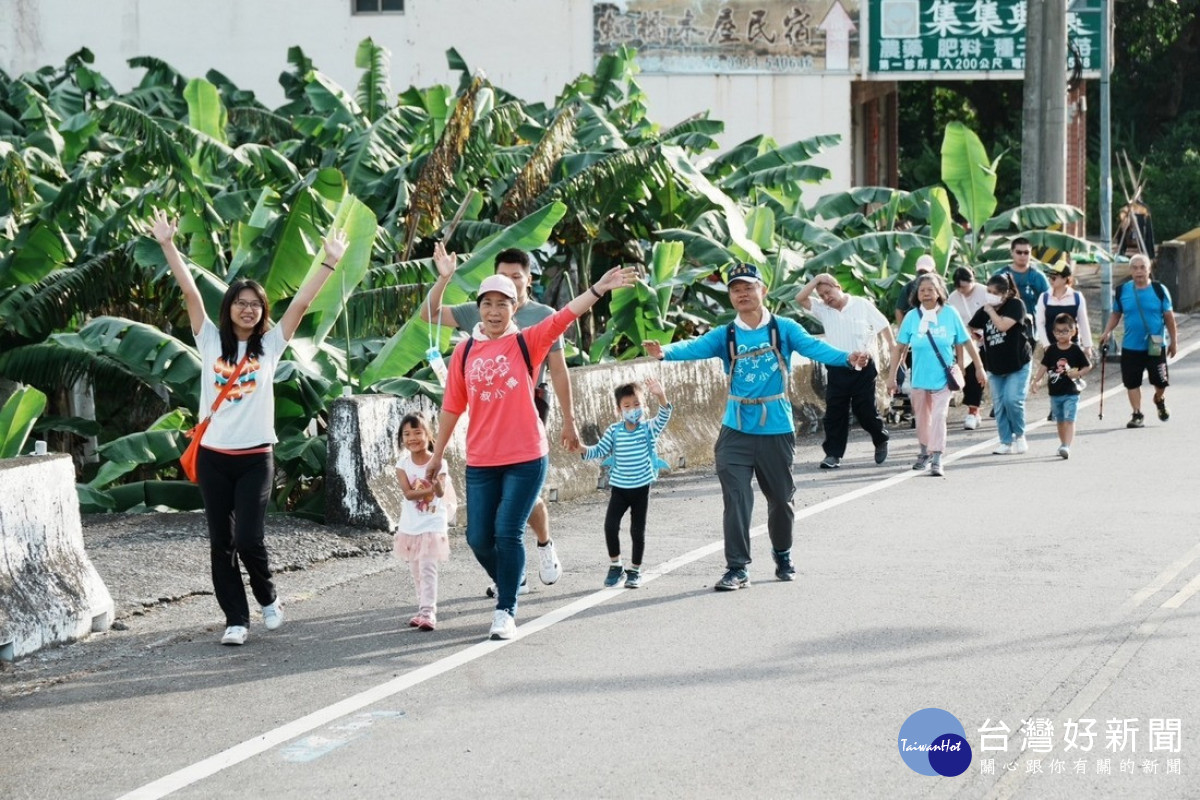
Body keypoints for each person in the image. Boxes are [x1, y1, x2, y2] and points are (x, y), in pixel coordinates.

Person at [149, 209, 348, 647]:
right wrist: (168, 245)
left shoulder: (271, 346)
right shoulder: (208, 339)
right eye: (241, 302)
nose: (247, 308)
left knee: (249, 537)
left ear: (262, 313)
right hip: (215, 456)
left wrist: (329, 261)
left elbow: (301, 304)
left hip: (257, 456)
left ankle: (268, 595)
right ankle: (235, 619)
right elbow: (189, 291)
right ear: (230, 308)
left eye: (255, 304)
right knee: (221, 542)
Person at [426, 266, 636, 640]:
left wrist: (598, 289)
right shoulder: (464, 351)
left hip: (525, 455)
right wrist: (436, 454)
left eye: (502, 304)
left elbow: (565, 315)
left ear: (514, 307)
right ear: (479, 308)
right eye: (487, 304)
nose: (493, 312)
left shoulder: (528, 341)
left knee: (506, 532)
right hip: (481, 459)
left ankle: (505, 609)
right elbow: (451, 408)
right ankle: (512, 577)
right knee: (478, 538)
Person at [643, 263, 870, 591]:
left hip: (776, 427)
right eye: (736, 289)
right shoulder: (727, 335)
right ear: (731, 297)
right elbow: (694, 347)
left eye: (748, 287)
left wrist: (847, 358)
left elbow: (815, 348)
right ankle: (737, 567)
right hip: (735, 428)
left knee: (780, 499)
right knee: (736, 498)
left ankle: (783, 554)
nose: (742, 294)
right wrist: (665, 352)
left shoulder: (784, 328)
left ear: (762, 290)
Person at [421, 243, 576, 592]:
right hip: (487, 411)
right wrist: (444, 278)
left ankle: (543, 543)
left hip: (529, 403)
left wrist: (569, 419)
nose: (508, 283)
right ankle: (511, 573)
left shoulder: (541, 316)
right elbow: (429, 314)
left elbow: (560, 370)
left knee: (520, 499)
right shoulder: (483, 311)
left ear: (528, 280)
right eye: (502, 276)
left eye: (515, 278)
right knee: (490, 524)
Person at [575, 377, 673, 589]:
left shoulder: (648, 429)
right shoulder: (614, 431)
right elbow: (598, 450)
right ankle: (615, 565)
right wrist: (582, 448)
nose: (633, 409)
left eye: (637, 404)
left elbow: (665, 414)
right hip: (619, 488)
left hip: (641, 487)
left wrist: (660, 395)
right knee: (610, 526)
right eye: (627, 406)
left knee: (637, 531)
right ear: (619, 409)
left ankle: (635, 570)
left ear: (644, 405)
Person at [887, 273, 986, 477]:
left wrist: (979, 367)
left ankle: (938, 457)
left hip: (943, 377)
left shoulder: (950, 314)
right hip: (920, 378)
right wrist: (892, 376)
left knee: (940, 416)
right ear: (917, 294)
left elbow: (967, 341)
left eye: (930, 290)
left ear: (939, 292)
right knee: (923, 418)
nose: (926, 294)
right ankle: (924, 452)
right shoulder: (911, 317)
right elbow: (899, 348)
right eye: (922, 290)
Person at [795, 272, 894, 468]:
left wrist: (892, 353)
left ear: (837, 287)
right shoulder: (823, 309)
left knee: (864, 410)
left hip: (863, 367)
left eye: (828, 292)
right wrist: (816, 279)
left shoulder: (861, 304)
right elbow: (800, 298)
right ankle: (833, 454)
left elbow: (884, 327)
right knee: (834, 412)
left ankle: (880, 438)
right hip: (837, 366)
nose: (826, 298)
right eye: (822, 295)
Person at [1098, 253, 1178, 428]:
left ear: (1149, 269)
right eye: (1135, 268)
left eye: (1143, 267)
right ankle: (1137, 413)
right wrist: (1107, 331)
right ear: (1130, 270)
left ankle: (1159, 398)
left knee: (1161, 381)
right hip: (1131, 346)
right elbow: (1116, 314)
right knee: (1131, 381)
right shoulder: (1122, 291)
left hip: (1156, 345)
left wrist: (1174, 341)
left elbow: (1169, 318)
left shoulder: (1159, 290)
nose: (1139, 271)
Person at [393, 413, 452, 631]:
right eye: (406, 434)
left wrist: (436, 486)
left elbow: (441, 490)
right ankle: (422, 608)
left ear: (428, 435)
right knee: (416, 569)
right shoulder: (402, 465)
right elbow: (409, 494)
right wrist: (432, 489)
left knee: (427, 567)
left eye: (417, 432)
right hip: (410, 525)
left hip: (432, 524)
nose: (412, 438)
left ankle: (428, 611)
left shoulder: (439, 462)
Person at [969, 273, 1033, 455]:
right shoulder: (985, 310)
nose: (989, 295)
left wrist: (990, 311)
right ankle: (1005, 441)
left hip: (1018, 363)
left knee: (1012, 400)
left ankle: (1020, 435)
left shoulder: (1015, 305)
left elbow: (1003, 325)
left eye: (994, 292)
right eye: (988, 291)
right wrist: (977, 336)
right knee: (999, 404)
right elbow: (970, 326)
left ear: (1005, 293)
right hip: (995, 366)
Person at [1031, 314, 1093, 459]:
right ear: (1053, 333)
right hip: (1055, 392)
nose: (1061, 334)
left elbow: (1088, 366)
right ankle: (1063, 442)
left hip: (1072, 392)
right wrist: (1036, 380)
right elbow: (1043, 366)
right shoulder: (1051, 350)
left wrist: (1077, 374)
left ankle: (1067, 446)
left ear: (1073, 331)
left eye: (1065, 331)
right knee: (1059, 420)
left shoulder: (1075, 349)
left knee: (1069, 419)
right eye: (1058, 331)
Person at [946, 266, 991, 430]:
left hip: (989, 338)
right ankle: (973, 411)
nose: (962, 290)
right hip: (966, 342)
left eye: (965, 286)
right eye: (959, 287)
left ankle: (988, 406)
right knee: (971, 375)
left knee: (989, 373)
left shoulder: (984, 292)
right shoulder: (953, 298)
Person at [992, 237, 1050, 327]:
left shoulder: (1038, 277)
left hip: (1030, 328)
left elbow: (1048, 303)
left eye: (1026, 252)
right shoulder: (1000, 274)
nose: (1023, 255)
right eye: (1019, 252)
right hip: (1004, 327)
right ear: (1012, 253)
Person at [893, 254, 936, 325]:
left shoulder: (940, 288)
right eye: (920, 272)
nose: (923, 275)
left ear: (933, 271)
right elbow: (899, 310)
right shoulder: (908, 287)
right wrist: (902, 330)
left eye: (926, 272)